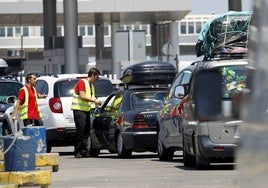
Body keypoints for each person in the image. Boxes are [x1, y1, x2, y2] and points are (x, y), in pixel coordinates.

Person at [71, 67, 102, 158]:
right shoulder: (82, 82)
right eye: (96, 77)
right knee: (80, 131)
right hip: (79, 109)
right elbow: (82, 96)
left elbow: (90, 98)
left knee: (86, 131)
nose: (97, 79)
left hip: (86, 110)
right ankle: (77, 150)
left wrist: (96, 103)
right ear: (93, 75)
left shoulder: (91, 85)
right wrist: (94, 100)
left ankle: (84, 151)